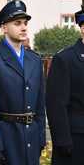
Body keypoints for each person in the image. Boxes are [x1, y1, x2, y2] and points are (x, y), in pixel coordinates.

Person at [0, 0, 45, 165]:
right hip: (6, 138)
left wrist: (40, 138)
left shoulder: (35, 59)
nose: (24, 27)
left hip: (31, 138)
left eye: (25, 23)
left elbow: (40, 104)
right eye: (17, 23)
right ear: (4, 28)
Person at [46, 9, 84, 165]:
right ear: (82, 28)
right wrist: (62, 141)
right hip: (75, 140)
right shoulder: (65, 59)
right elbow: (56, 104)